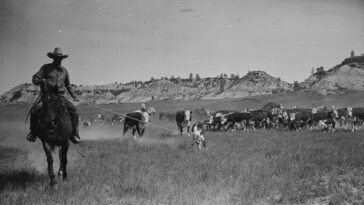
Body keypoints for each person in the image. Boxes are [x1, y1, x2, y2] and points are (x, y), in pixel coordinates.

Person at [26, 47, 81, 144]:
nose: (58, 59)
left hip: (60, 97)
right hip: (47, 96)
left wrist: (74, 96)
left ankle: (74, 133)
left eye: (60, 58)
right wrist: (41, 80)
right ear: (53, 58)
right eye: (56, 58)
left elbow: (68, 85)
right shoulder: (45, 68)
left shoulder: (64, 71)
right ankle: (33, 132)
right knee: (35, 109)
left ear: (62, 59)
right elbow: (35, 79)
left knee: (74, 111)